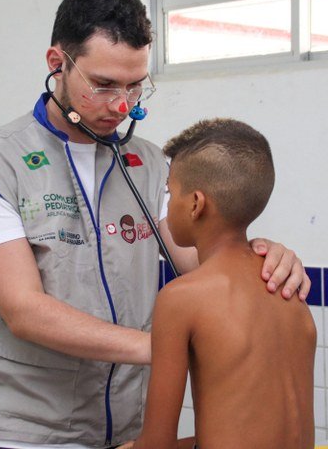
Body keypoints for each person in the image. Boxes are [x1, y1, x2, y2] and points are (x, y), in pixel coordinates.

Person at [0, 0, 311, 449]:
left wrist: (260, 259)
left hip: (124, 430)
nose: (122, 105)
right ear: (57, 64)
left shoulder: (152, 165)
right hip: (22, 435)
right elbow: (25, 312)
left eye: (135, 86)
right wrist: (166, 347)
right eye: (104, 85)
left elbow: (202, 265)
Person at [126, 119, 316, 449]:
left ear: (196, 204)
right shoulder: (286, 286)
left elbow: (156, 444)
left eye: (169, 193)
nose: (166, 205)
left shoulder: (182, 297)